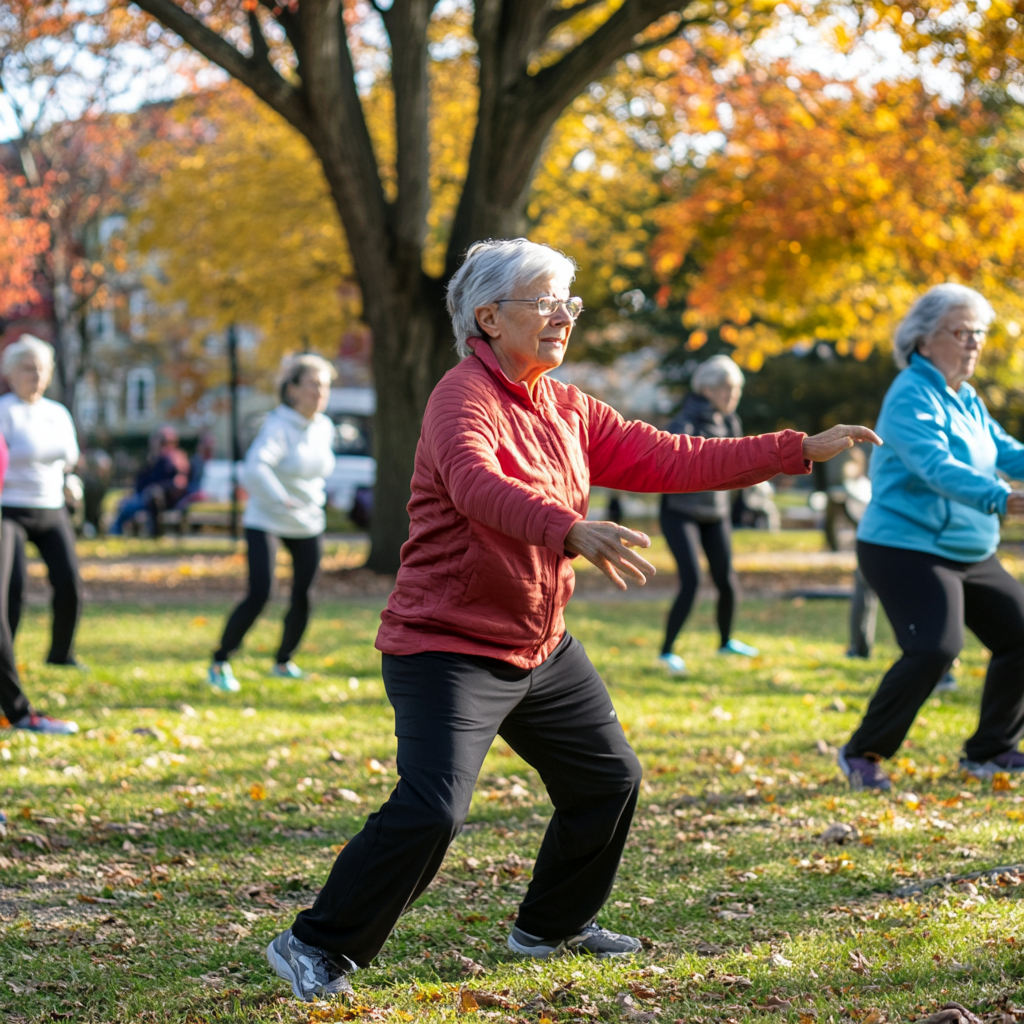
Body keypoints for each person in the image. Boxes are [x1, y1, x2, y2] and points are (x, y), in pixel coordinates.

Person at [263, 238, 879, 1002]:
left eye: (570, 303)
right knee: (431, 810)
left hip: (540, 646)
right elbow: (476, 484)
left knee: (608, 779)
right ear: (489, 317)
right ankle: (313, 944)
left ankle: (550, 927)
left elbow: (673, 457)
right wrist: (569, 529)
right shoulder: (462, 399)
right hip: (447, 645)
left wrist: (798, 449)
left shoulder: (566, 406)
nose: (564, 317)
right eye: (546, 301)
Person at [839, 283, 1024, 792]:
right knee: (935, 647)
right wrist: (1001, 498)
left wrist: (1007, 481)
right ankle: (862, 753)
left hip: (968, 548)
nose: (973, 343)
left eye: (979, 333)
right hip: (905, 547)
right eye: (961, 331)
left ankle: (988, 750)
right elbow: (934, 465)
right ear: (923, 340)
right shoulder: (909, 395)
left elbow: (1004, 451)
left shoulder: (965, 398)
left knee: (1020, 634)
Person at [208, 354, 336, 691]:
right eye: (313, 384)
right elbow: (255, 468)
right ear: (292, 389)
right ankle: (220, 661)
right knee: (261, 592)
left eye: (325, 386)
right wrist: (280, 497)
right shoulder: (278, 425)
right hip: (266, 518)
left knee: (304, 595)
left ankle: (283, 661)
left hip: (308, 521)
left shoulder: (324, 427)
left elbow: (319, 473)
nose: (321, 392)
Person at [658, 355, 759, 675]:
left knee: (726, 580)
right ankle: (666, 651)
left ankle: (725, 641)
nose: (733, 395)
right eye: (727, 389)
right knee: (692, 581)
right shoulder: (685, 420)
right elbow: (671, 458)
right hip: (680, 512)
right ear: (706, 389)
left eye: (737, 389)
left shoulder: (731, 421)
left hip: (716, 512)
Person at [0, 335, 84, 670]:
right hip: (10, 510)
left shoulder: (58, 413)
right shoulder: (5, 411)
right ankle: (6, 662)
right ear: (10, 372)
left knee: (70, 584)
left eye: (41, 368)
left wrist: (69, 484)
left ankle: (61, 654)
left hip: (51, 507)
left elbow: (69, 460)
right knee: (13, 589)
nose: (35, 374)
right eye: (27, 367)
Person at [109, 426, 190, 537]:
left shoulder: (174, 461)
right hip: (144, 496)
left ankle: (115, 532)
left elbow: (178, 483)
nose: (155, 445)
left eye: (160, 442)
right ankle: (116, 531)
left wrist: (156, 489)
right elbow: (141, 480)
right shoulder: (154, 459)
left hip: (159, 499)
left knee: (128, 507)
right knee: (124, 503)